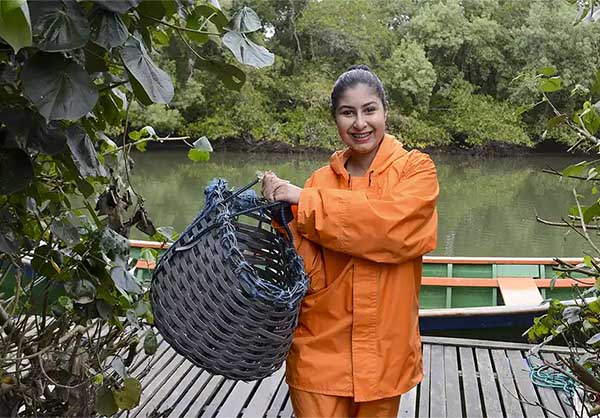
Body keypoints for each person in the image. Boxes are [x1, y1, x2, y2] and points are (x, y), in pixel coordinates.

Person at [261, 65, 439, 418]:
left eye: (369, 110)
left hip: (386, 354)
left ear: (386, 112)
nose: (360, 123)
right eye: (347, 112)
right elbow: (306, 268)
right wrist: (282, 217)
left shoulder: (417, 170)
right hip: (319, 350)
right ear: (336, 119)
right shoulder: (318, 181)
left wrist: (304, 201)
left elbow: (391, 230)